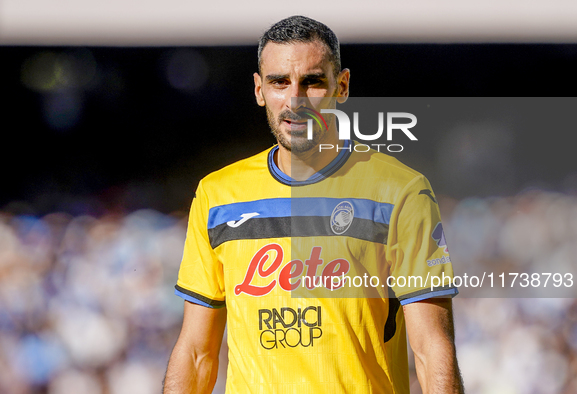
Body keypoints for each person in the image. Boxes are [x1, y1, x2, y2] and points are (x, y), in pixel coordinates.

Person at [163, 15, 464, 394]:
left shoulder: (402, 192)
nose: (295, 99)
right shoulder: (217, 195)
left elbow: (431, 348)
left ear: (342, 85)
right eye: (279, 82)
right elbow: (195, 353)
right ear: (259, 90)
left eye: (312, 82)